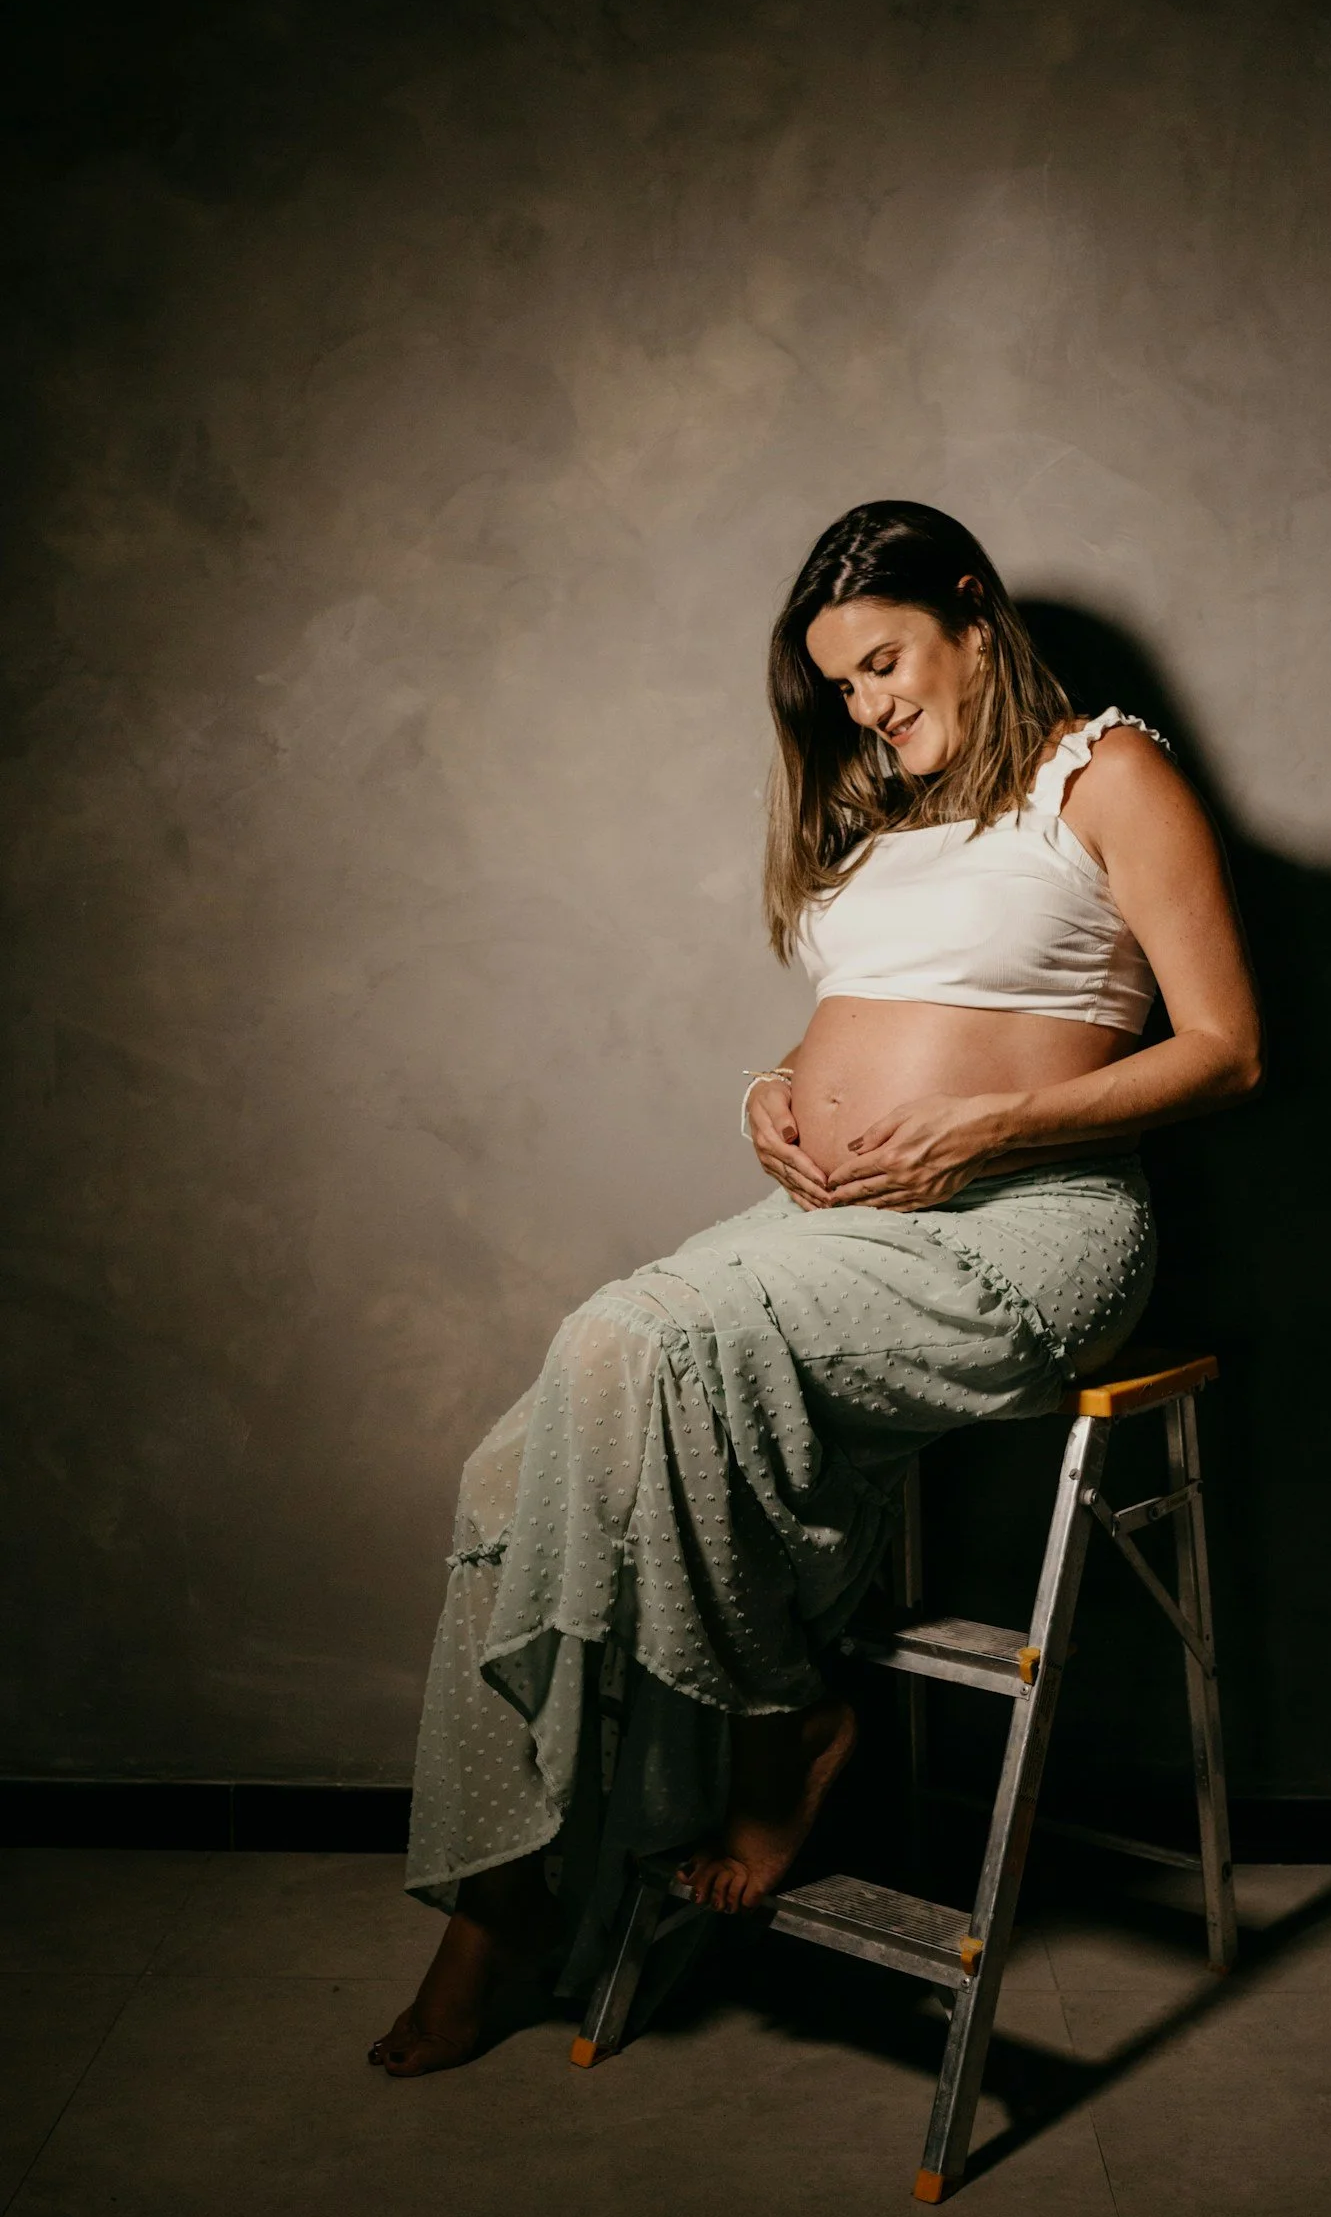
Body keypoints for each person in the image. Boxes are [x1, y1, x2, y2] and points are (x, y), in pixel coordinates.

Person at [370, 500, 1261, 2077]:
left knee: (627, 1339)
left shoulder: (1106, 771)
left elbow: (1222, 1051)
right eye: (839, 685)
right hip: (836, 1229)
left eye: (885, 662)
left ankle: (778, 1722)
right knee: (523, 1453)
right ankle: (502, 1891)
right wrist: (771, 1090)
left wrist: (994, 1122)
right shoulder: (883, 808)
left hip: (1027, 1228)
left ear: (974, 615)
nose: (866, 706)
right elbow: (882, 1012)